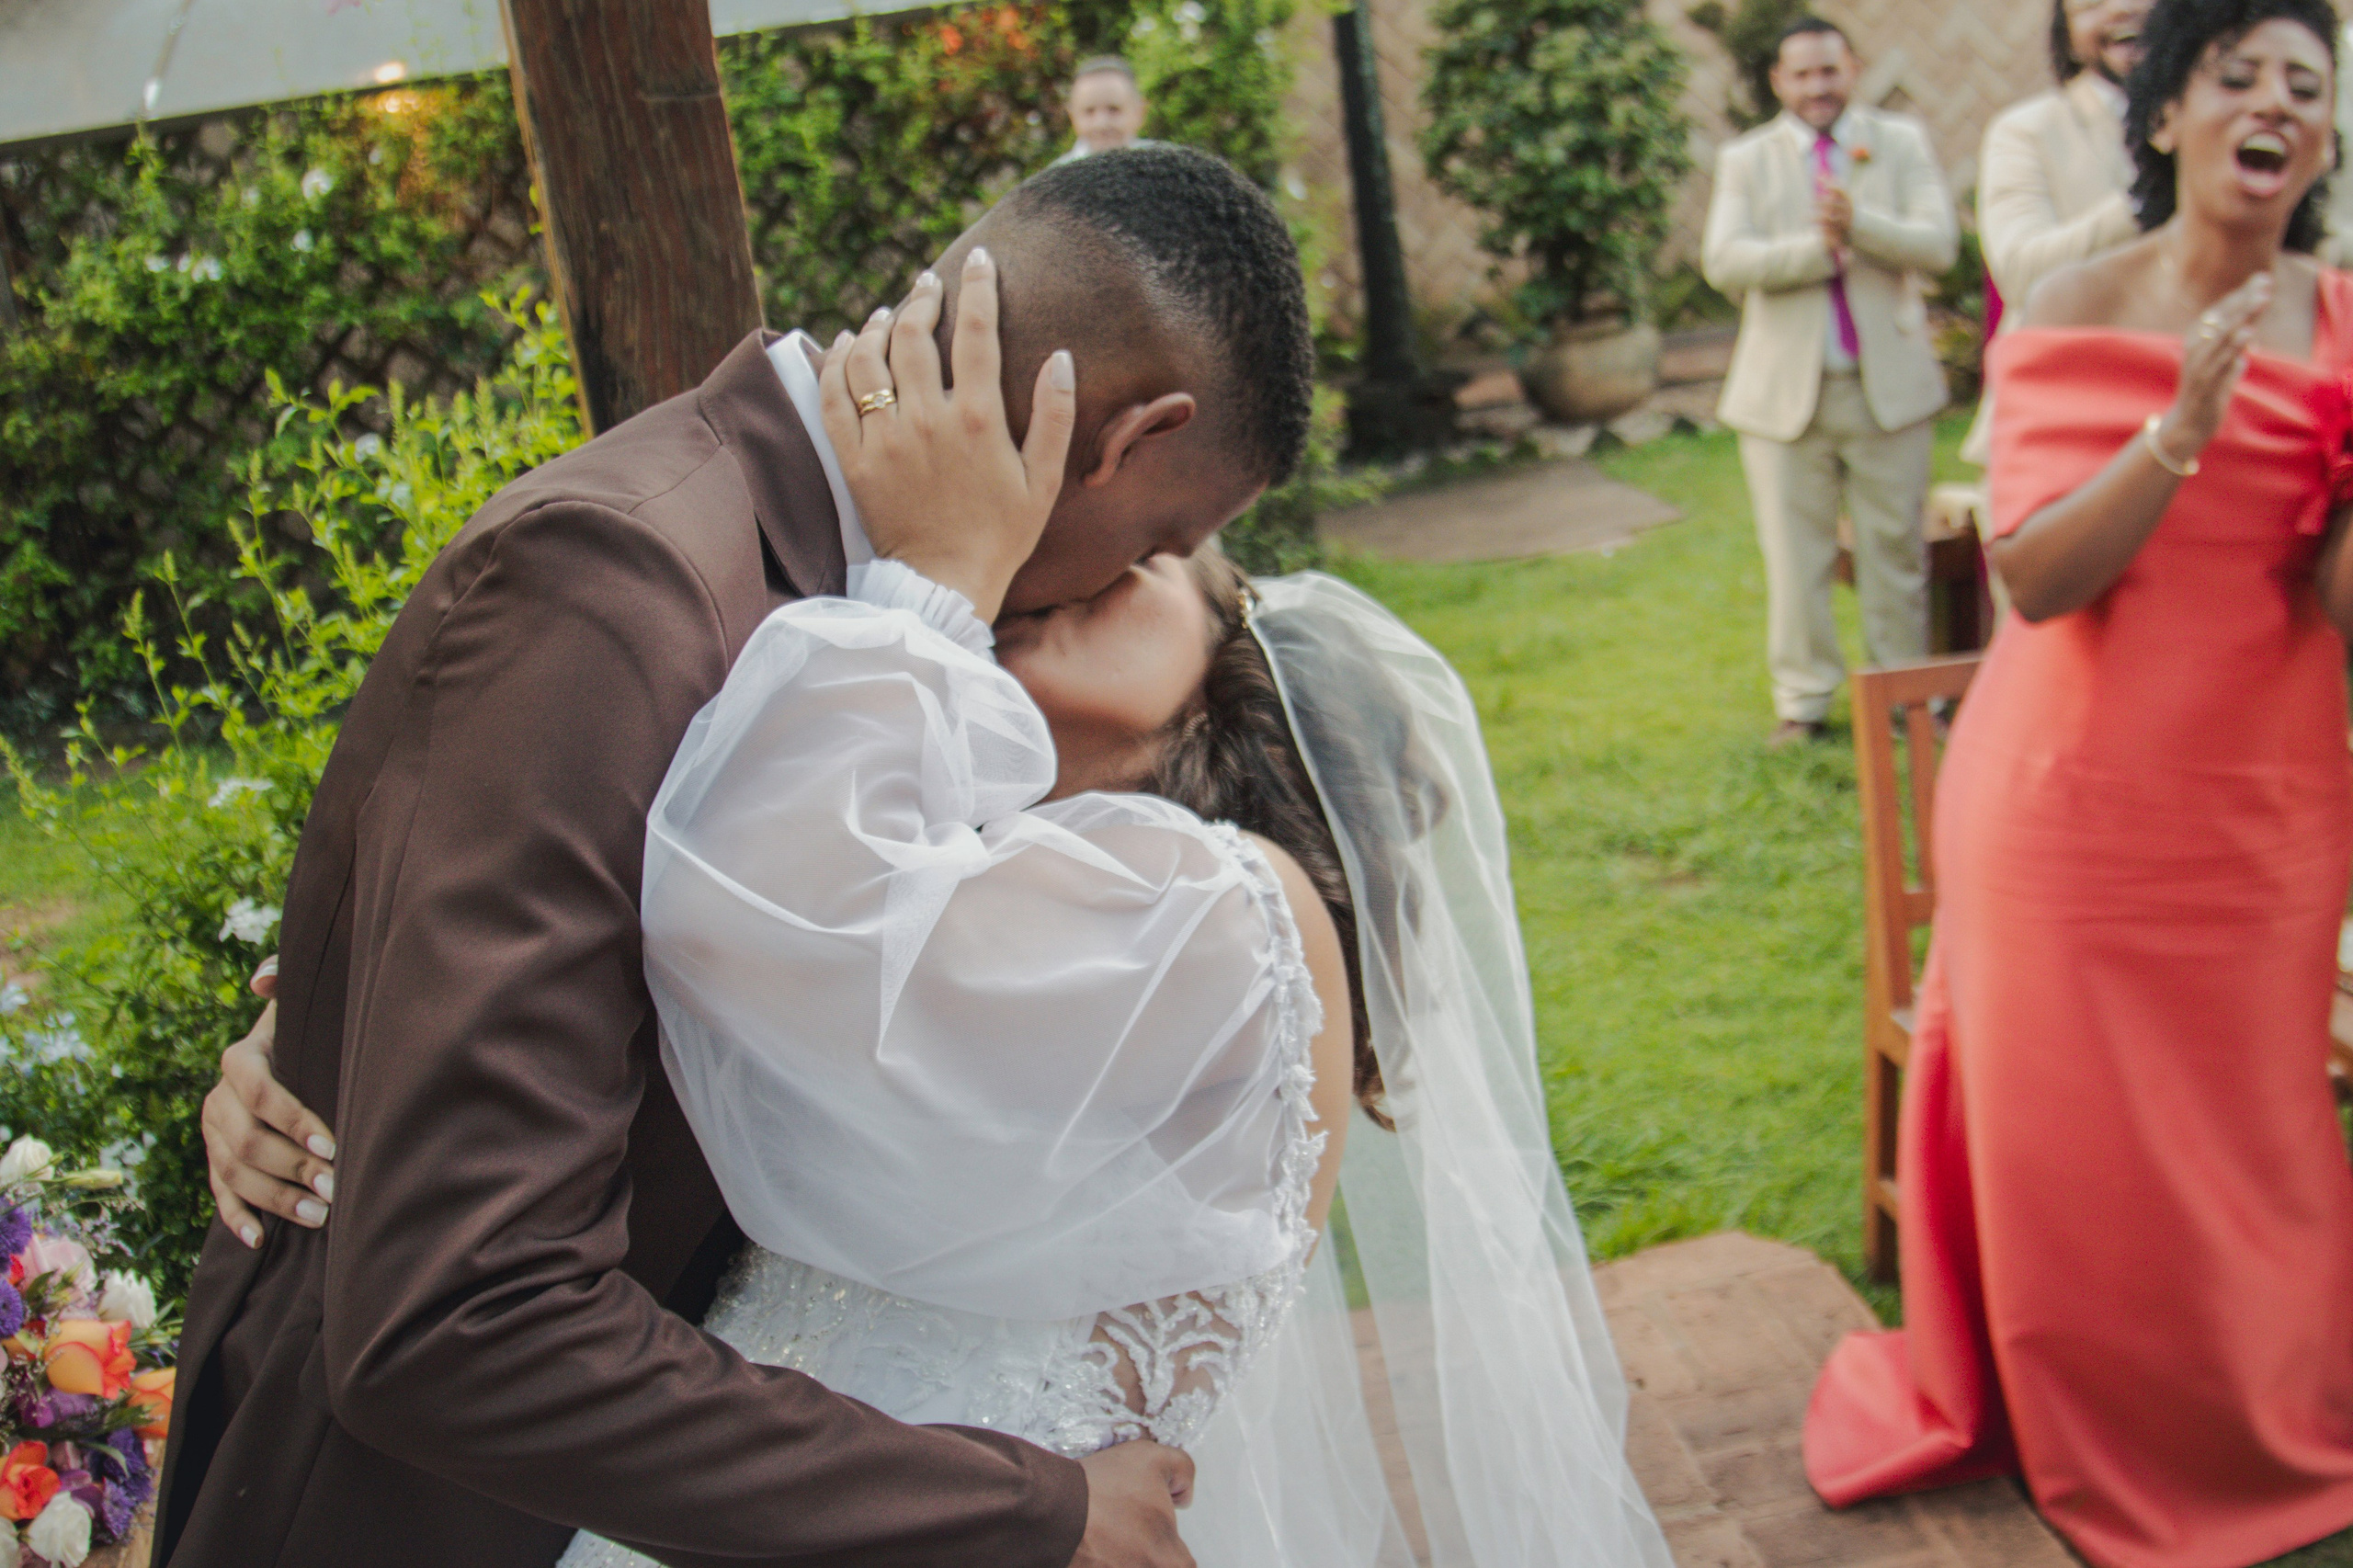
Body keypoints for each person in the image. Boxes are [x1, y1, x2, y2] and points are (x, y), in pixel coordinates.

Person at [194, 270, 1677, 1566]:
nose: (1093, 573)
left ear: (1235, 702)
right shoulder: (989, 863)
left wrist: (931, 587)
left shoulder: (1230, 914)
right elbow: (692, 983)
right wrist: (335, 1022)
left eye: (1164, 575)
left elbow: (760, 921)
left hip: (953, 1513)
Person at [156, 144, 1313, 1568]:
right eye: (1166, 538)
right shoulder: (616, 581)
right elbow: (459, 1311)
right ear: (1134, 439)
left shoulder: (886, 616)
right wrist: (1026, 1511)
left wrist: (341, 1013)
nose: (1136, 579)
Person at [1805, 3, 2353, 1563]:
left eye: (2305, 86)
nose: (2273, 104)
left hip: (2271, 809)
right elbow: (2039, 578)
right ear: (2167, 111)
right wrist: (2182, 428)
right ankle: (2102, 1427)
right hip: (2066, 808)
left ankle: (2264, 1415)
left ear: (2323, 138)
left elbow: (2344, 609)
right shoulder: (2067, 307)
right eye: (2236, 74)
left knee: (2258, 1127)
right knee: (2092, 1149)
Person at [1702, 17, 1958, 745]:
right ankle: (1804, 704)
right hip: (1786, 397)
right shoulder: (1747, 159)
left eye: (1830, 72)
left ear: (1854, 71)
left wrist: (1862, 224)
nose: (1818, 87)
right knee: (1795, 559)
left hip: (1890, 391)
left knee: (1895, 553)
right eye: (1803, 75)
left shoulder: (1900, 144)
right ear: (1779, 82)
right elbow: (1725, 261)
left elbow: (1938, 245)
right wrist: (1819, 251)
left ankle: (1906, 697)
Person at [1960, 0, 2151, 467]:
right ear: (2065, 32)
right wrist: (2150, 197)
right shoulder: (2027, 131)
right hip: (2066, 423)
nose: (2120, 11)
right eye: (2091, 5)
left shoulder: (2231, 121)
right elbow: (2022, 272)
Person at [1056, 57, 1151, 164]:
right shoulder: (1056, 177)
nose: (1101, 123)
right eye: (1089, 111)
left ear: (1139, 112)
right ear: (1072, 117)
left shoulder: (1161, 167)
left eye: (1113, 109)